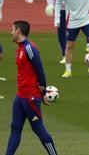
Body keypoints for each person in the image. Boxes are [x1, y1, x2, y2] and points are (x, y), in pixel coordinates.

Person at [5, 20, 57, 155]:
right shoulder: (20, 48)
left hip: (30, 98)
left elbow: (40, 71)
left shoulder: (29, 48)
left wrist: (44, 92)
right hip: (20, 97)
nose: (10, 32)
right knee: (15, 128)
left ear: (18, 31)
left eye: (12, 29)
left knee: (38, 128)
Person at [55, 0, 89, 78]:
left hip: (86, 19)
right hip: (72, 20)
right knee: (70, 46)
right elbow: (58, 2)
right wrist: (57, 19)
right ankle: (68, 70)